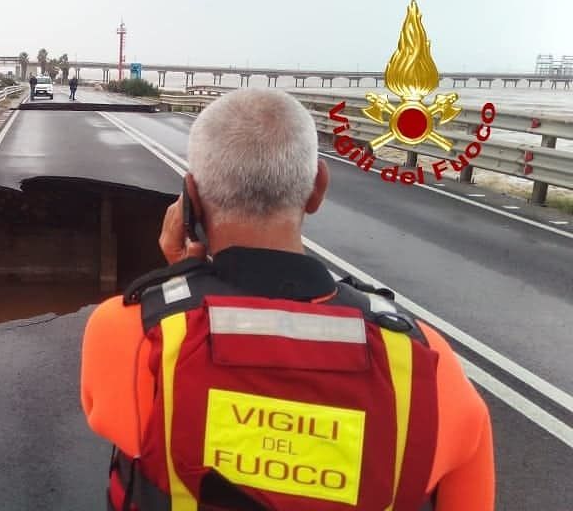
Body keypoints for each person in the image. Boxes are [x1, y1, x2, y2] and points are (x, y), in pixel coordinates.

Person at [80, 88, 494, 511]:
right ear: (318, 187)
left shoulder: (133, 335)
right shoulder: (430, 364)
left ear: (192, 198)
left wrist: (178, 276)